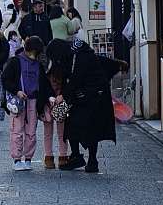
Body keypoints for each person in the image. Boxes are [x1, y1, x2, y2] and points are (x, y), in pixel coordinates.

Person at [47, 39, 123, 173]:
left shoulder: (79, 55)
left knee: (91, 127)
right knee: (72, 123)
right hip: (83, 95)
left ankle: (91, 161)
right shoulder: (75, 54)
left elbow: (77, 78)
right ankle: (78, 157)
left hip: (96, 95)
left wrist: (62, 96)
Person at [1, 37, 53, 171]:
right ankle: (17, 159)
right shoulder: (15, 61)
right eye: (33, 51)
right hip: (18, 102)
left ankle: (28, 158)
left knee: (31, 132)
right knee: (17, 131)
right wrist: (17, 91)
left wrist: (51, 95)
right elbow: (5, 79)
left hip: (33, 101)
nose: (33, 54)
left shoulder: (38, 65)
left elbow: (44, 83)